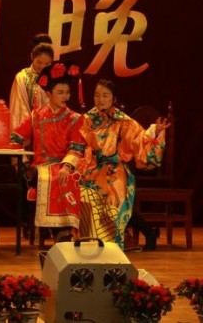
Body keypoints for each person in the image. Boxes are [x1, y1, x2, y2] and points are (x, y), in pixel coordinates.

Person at [77, 79, 168, 250]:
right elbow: (78, 144)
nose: (100, 99)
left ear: (113, 98)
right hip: (90, 168)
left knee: (113, 197)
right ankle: (91, 242)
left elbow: (139, 139)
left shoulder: (123, 121)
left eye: (105, 95)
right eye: (97, 95)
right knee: (83, 194)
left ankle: (112, 243)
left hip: (114, 169)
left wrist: (154, 131)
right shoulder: (87, 119)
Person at [10, 61, 85, 243]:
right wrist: (20, 159)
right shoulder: (36, 116)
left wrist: (67, 166)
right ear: (48, 94)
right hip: (41, 166)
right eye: (60, 92)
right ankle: (59, 231)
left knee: (67, 178)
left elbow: (77, 147)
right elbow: (16, 137)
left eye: (67, 92)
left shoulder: (75, 119)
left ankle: (63, 229)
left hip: (65, 165)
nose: (65, 96)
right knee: (49, 177)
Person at [9, 33, 54, 131]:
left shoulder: (56, 77)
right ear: (32, 57)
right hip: (30, 130)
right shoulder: (22, 77)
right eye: (39, 62)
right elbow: (19, 109)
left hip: (51, 130)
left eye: (47, 64)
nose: (42, 67)